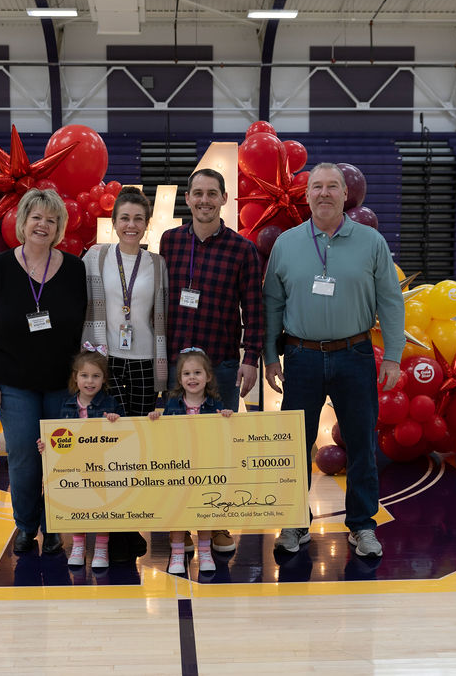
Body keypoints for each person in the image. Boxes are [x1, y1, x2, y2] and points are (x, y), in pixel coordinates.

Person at [263, 162, 406, 559]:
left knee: (361, 444)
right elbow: (272, 303)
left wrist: (392, 355)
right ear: (306, 195)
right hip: (301, 356)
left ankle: (362, 526)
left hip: (355, 355)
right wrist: (270, 355)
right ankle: (294, 523)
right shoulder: (287, 244)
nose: (324, 193)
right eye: (317, 187)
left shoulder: (371, 242)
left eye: (332, 187)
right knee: (295, 447)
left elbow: (391, 302)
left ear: (346, 194)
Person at [0, 188, 87, 557]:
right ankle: (25, 525)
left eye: (51, 220)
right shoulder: (0, 268)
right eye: (36, 217)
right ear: (22, 223)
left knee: (59, 456)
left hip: (62, 385)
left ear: (59, 228)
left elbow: (85, 325)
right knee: (23, 455)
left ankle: (54, 528)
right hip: (14, 384)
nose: (43, 225)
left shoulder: (74, 268)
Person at [158, 168, 264, 555]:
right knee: (175, 451)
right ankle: (180, 526)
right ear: (187, 198)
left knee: (217, 451)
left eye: (212, 194)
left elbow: (254, 311)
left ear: (224, 199)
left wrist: (251, 358)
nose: (204, 200)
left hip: (219, 365)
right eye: (197, 193)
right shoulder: (168, 242)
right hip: (174, 367)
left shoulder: (243, 250)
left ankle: (217, 524)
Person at [82, 186, 168, 416]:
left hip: (145, 359)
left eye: (138, 219)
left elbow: (163, 314)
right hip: (104, 358)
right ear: (114, 222)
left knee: (140, 430)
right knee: (112, 429)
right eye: (125, 218)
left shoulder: (157, 264)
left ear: (147, 224)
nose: (131, 225)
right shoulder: (95, 256)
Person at [148, 348, 234, 575]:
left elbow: (224, 436)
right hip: (178, 470)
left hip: (205, 468)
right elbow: (162, 433)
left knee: (203, 509)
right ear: (179, 378)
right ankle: (177, 552)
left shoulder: (215, 405)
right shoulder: (172, 404)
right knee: (178, 511)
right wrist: (156, 418)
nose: (192, 378)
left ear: (208, 376)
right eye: (187, 373)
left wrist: (225, 417)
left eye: (197, 372)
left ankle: (204, 551)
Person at [36, 347, 122, 569]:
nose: (90, 381)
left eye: (96, 376)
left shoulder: (110, 404)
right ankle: (78, 544)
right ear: (76, 377)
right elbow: (58, 436)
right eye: (84, 376)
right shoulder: (66, 405)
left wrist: (115, 420)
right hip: (75, 467)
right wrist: (47, 445)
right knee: (76, 502)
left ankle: (102, 547)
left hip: (102, 467)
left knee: (103, 506)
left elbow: (121, 439)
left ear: (104, 379)